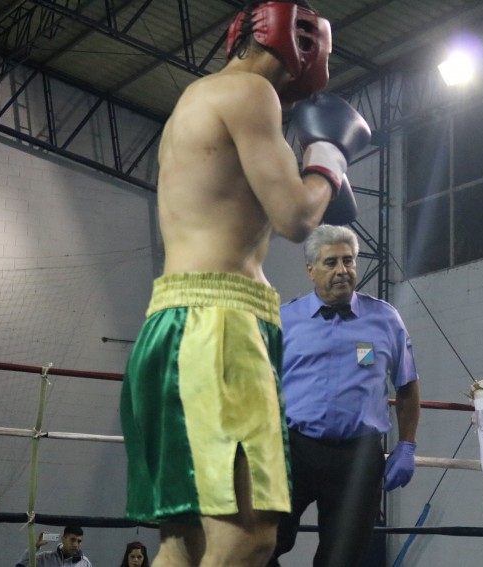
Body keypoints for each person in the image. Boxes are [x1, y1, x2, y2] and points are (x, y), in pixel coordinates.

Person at [120, 1, 371, 566]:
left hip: (174, 325)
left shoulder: (200, 98)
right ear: (305, 44)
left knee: (185, 544)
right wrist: (328, 156)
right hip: (220, 326)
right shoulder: (251, 93)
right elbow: (297, 218)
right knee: (249, 536)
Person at [267, 224, 421, 567]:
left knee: (343, 559)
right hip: (293, 448)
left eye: (349, 261)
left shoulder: (384, 318)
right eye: (330, 262)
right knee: (258, 545)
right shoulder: (283, 320)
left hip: (358, 456)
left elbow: (407, 385)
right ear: (310, 270)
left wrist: (407, 445)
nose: (342, 271)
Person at [15, 526, 92, 567]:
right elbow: (21, 565)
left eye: (79, 541)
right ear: (63, 539)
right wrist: (36, 547)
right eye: (72, 540)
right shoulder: (44, 558)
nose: (75, 545)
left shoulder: (85, 563)